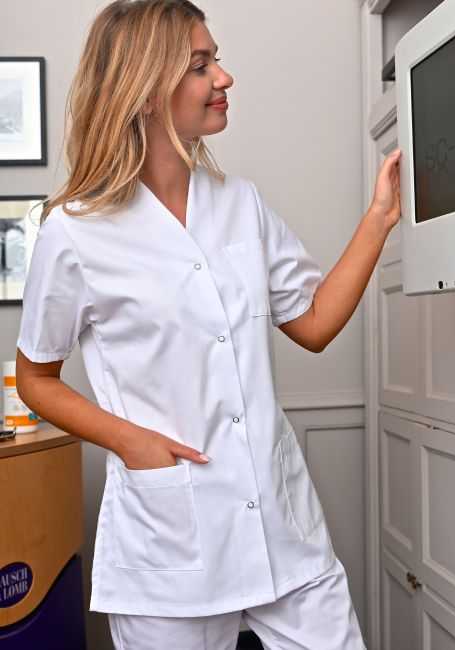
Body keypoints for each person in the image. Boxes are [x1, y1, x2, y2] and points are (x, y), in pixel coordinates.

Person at [15, 1, 401, 648]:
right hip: (170, 538)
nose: (224, 77)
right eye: (201, 65)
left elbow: (312, 324)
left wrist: (380, 218)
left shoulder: (241, 204)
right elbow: (36, 379)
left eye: (214, 60)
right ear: (145, 91)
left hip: (281, 527)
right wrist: (132, 442)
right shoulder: (75, 232)